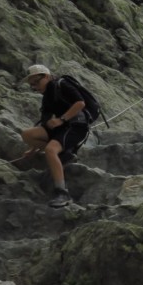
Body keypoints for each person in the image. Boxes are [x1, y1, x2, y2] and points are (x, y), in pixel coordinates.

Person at [19, 64, 90, 208]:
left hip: (76, 126)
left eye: (36, 82)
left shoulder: (62, 84)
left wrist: (61, 119)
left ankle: (62, 192)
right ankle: (63, 153)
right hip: (61, 127)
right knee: (27, 134)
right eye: (32, 85)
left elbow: (80, 103)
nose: (35, 87)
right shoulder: (47, 97)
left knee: (51, 150)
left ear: (46, 76)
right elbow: (44, 121)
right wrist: (33, 149)